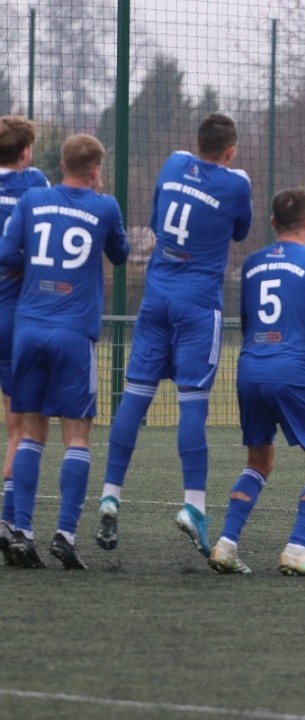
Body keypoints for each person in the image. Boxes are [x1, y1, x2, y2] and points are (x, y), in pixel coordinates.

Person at [96, 113, 253, 558]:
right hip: (198, 306)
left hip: (156, 297)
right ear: (229, 150)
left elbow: (156, 217)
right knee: (191, 404)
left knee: (135, 397)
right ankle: (194, 506)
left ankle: (110, 494)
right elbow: (239, 230)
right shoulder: (236, 183)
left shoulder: (172, 164)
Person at [207, 188, 305, 576]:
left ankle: (225, 545)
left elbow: (251, 325)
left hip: (249, 369)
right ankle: (296, 549)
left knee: (258, 461)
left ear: (273, 222)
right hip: (291, 372)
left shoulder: (253, 264)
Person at [0, 133, 129, 568]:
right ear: (95, 170)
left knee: (32, 433)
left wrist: (35, 267)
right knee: (77, 436)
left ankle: (21, 530)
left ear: (60, 164)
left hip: (29, 329)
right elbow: (121, 253)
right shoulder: (105, 205)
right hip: (74, 333)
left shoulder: (33, 198)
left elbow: (4, 251)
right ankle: (65, 533)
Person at [0, 115, 49, 565]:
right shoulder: (34, 185)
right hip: (15, 317)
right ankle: (10, 519)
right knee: (24, 428)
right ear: (25, 153)